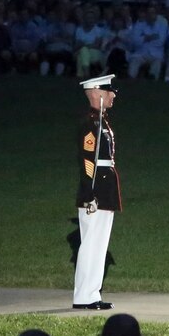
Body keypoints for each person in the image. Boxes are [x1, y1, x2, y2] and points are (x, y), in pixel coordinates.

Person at [72, 75, 119, 310]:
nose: (113, 96)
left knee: (98, 244)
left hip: (104, 190)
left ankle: (92, 293)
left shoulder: (101, 122)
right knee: (91, 244)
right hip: (96, 191)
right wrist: (90, 193)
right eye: (108, 91)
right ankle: (85, 296)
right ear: (96, 94)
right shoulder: (91, 124)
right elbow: (87, 161)